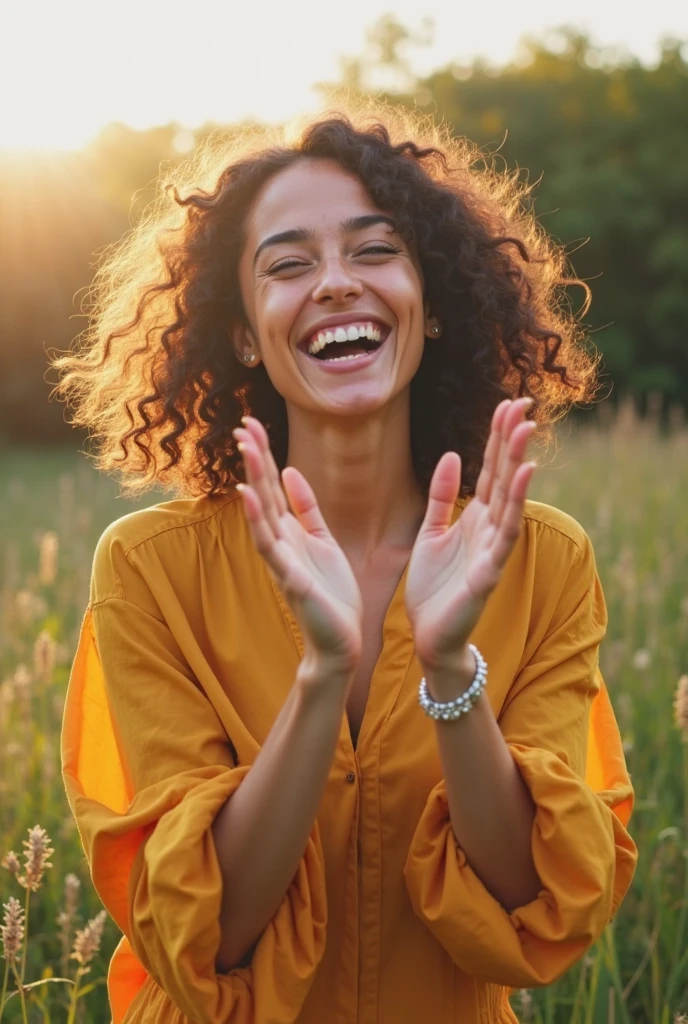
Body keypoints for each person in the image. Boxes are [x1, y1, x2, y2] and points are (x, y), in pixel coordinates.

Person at [54, 106, 638, 1024]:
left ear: (433, 301)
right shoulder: (148, 571)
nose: (334, 284)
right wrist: (322, 675)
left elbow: (542, 901)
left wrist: (452, 673)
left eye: (375, 251)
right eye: (288, 265)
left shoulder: (542, 560)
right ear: (243, 334)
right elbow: (210, 935)